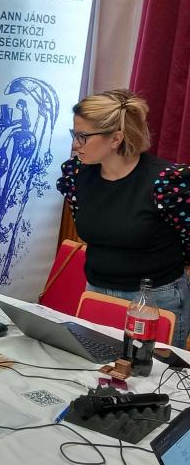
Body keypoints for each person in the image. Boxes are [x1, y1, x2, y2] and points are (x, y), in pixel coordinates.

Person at [57, 89, 190, 348]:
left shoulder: (165, 182)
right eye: (74, 134)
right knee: (93, 366)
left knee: (147, 372)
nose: (75, 145)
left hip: (154, 299)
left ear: (116, 138)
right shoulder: (77, 175)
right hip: (96, 291)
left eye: (83, 137)